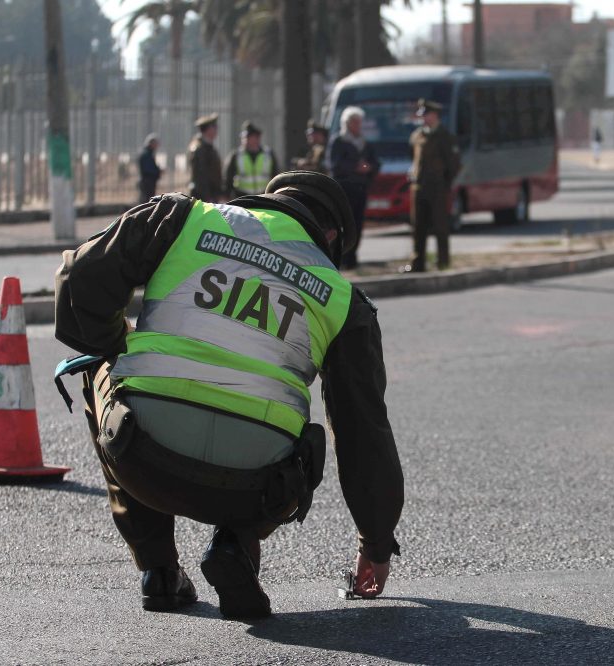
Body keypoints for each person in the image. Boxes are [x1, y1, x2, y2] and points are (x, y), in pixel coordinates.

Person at [53, 171, 404, 619]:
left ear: (265, 202)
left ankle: (159, 572)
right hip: (256, 490)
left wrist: (114, 343)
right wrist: (376, 544)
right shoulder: (343, 299)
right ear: (331, 236)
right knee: (293, 428)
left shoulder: (185, 218)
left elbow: (78, 280)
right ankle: (234, 545)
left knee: (96, 364)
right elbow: (364, 433)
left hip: (142, 457)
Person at [403, 98, 461, 273]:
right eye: (421, 115)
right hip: (418, 187)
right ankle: (417, 263)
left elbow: (454, 165)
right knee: (418, 227)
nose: (423, 118)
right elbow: (412, 157)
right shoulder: (417, 135)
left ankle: (442, 262)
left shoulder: (445, 136)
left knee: (440, 226)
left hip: (437, 188)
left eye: (426, 114)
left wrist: (445, 184)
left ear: (435, 115)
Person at [328, 106, 379, 269]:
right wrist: (355, 167)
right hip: (344, 189)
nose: (358, 125)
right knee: (343, 224)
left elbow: (376, 162)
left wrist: (369, 167)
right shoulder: (339, 141)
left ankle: (352, 258)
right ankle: (341, 257)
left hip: (361, 189)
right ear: (347, 123)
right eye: (355, 122)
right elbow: (335, 165)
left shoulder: (365, 143)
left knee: (357, 224)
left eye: (360, 122)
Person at [224, 120, 280, 199]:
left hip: (264, 196)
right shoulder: (236, 155)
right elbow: (228, 178)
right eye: (244, 137)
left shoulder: (268, 154)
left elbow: (276, 175)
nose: (245, 140)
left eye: (249, 137)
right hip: (242, 196)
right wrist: (227, 195)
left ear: (257, 138)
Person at [188, 113, 223, 202]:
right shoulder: (199, 148)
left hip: (210, 195)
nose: (216, 130)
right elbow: (200, 176)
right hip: (203, 197)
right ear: (207, 130)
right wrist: (208, 198)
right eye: (214, 127)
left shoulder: (208, 147)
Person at [137, 133, 162, 203]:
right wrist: (158, 171)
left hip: (148, 182)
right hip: (147, 182)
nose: (157, 146)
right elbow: (149, 169)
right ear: (151, 143)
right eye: (156, 144)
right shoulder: (146, 154)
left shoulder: (148, 153)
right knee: (145, 202)